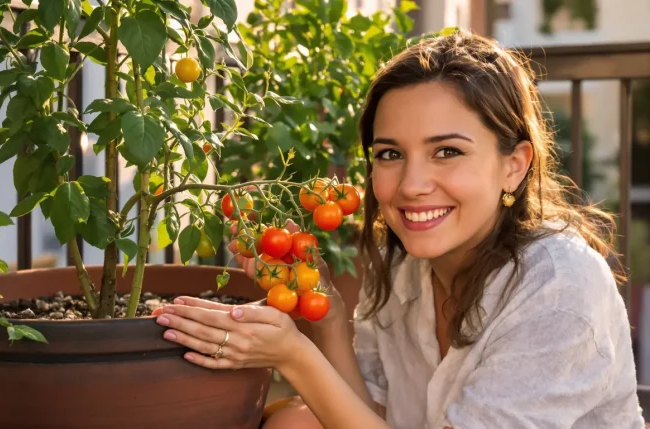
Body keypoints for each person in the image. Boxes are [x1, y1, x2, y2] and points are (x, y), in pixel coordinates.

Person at [152, 31, 646, 428]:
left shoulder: (558, 286)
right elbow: (371, 415)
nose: (410, 186)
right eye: (390, 154)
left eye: (447, 151)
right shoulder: (405, 264)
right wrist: (327, 315)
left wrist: (294, 356)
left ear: (514, 166)